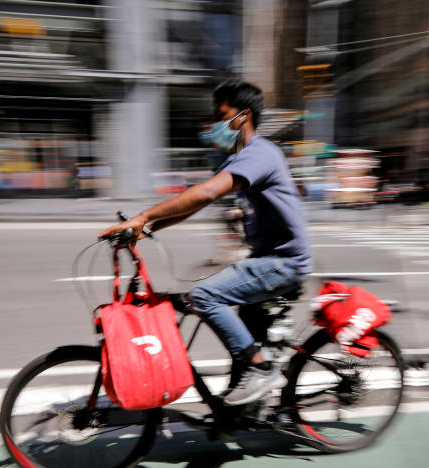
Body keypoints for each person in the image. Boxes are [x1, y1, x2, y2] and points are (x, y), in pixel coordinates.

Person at [98, 79, 313, 406]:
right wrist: (148, 227)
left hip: (283, 264)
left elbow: (208, 191)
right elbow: (196, 204)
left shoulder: (260, 154)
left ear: (241, 117)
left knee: (204, 295)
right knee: (220, 322)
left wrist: (142, 216)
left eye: (219, 114)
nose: (213, 124)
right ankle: (237, 410)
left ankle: (263, 369)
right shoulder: (242, 159)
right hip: (266, 260)